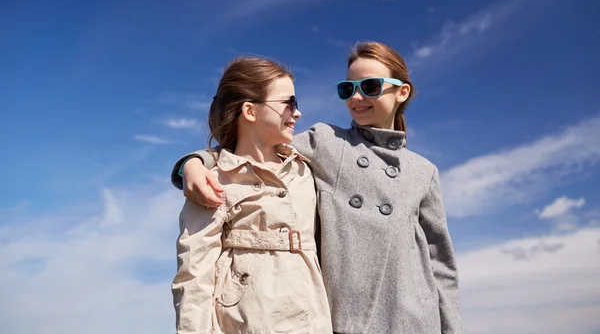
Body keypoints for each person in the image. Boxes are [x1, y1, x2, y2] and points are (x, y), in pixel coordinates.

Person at [173, 42, 463, 333]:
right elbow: (249, 148)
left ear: (402, 91)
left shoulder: (424, 172)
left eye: (371, 86)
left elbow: (441, 264)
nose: (357, 97)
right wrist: (193, 162)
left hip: (414, 318)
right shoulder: (326, 143)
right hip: (347, 319)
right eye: (348, 89)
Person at [171, 56, 332, 334]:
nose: (298, 113)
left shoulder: (308, 167)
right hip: (246, 323)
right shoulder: (215, 179)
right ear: (250, 110)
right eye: (289, 103)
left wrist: (191, 161)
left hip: (314, 320)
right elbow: (194, 274)